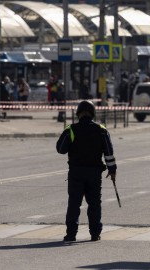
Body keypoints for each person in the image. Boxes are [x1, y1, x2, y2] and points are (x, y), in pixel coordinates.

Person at [56, 100, 117, 243]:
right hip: (94, 174)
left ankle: (71, 234)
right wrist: (112, 170)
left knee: (74, 204)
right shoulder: (101, 130)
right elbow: (109, 153)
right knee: (94, 204)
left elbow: (60, 149)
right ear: (92, 113)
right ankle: (95, 234)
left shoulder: (71, 130)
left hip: (76, 173)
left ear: (78, 114)